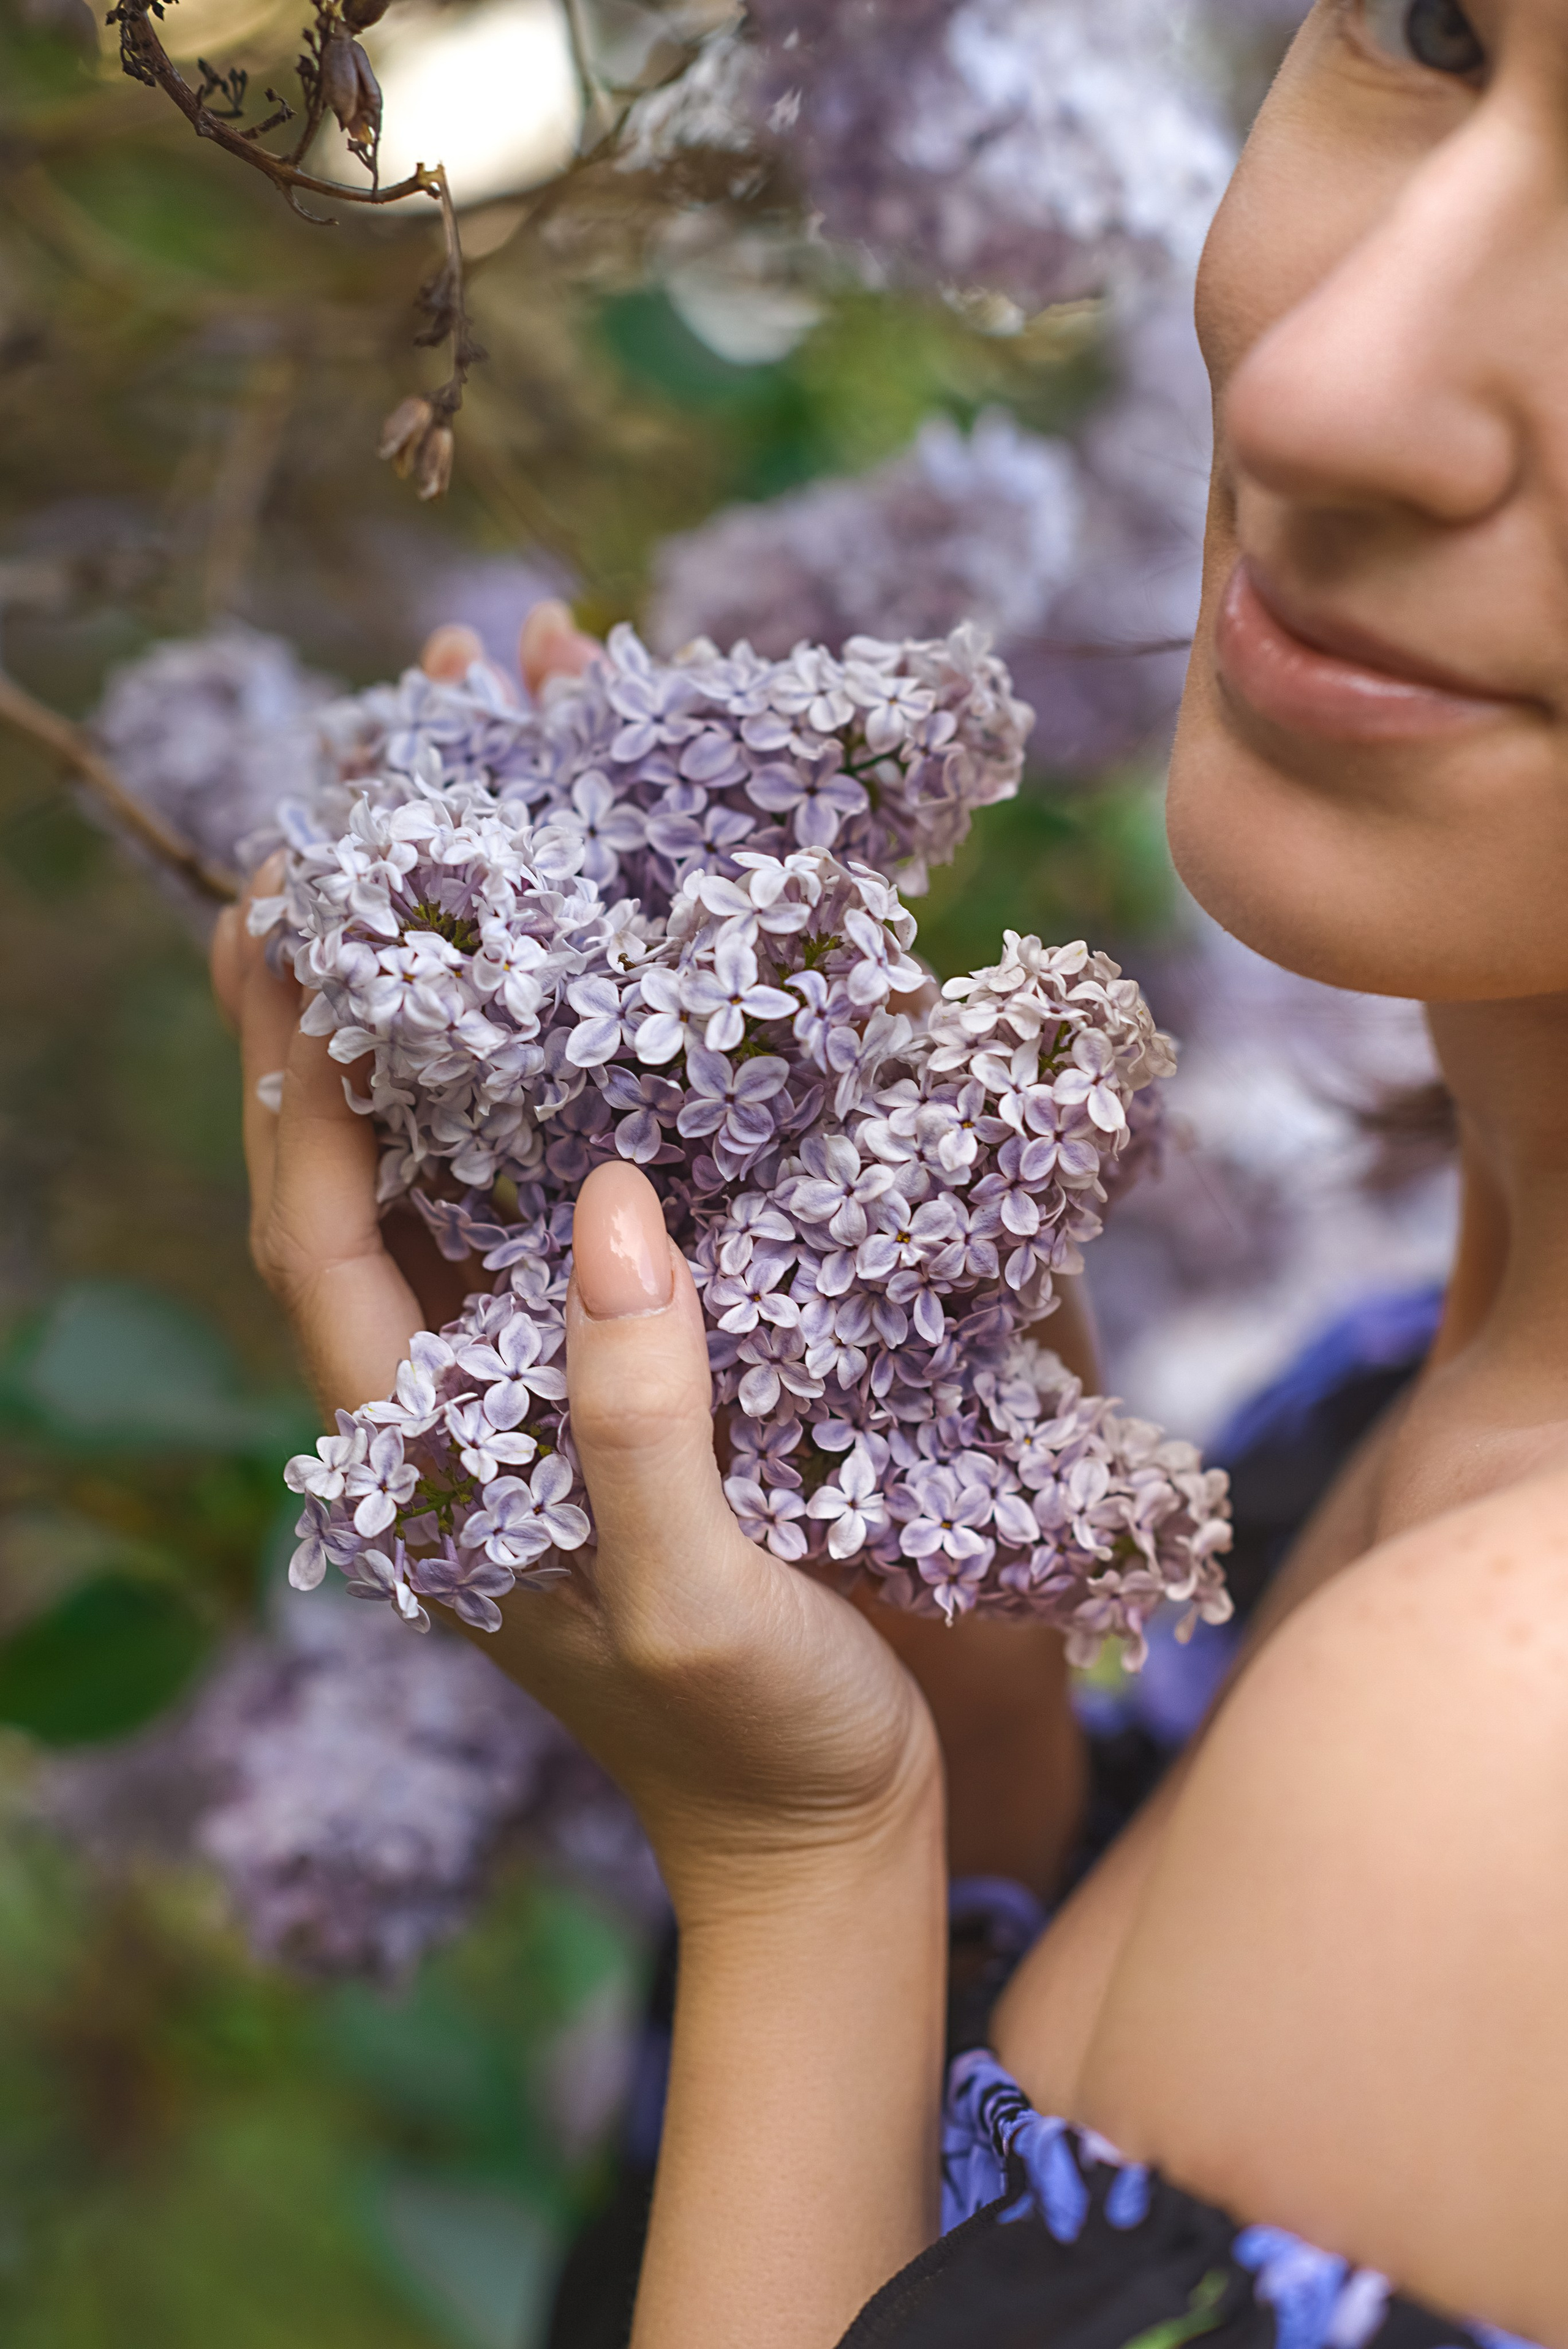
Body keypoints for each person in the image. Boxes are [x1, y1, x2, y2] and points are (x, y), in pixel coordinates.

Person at [211, 2, 1568, 2340]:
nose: (1333, 382)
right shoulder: (1413, 1372)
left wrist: (802, 1867)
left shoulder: (1506, 1749)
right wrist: (964, 1747)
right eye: (1436, 28)